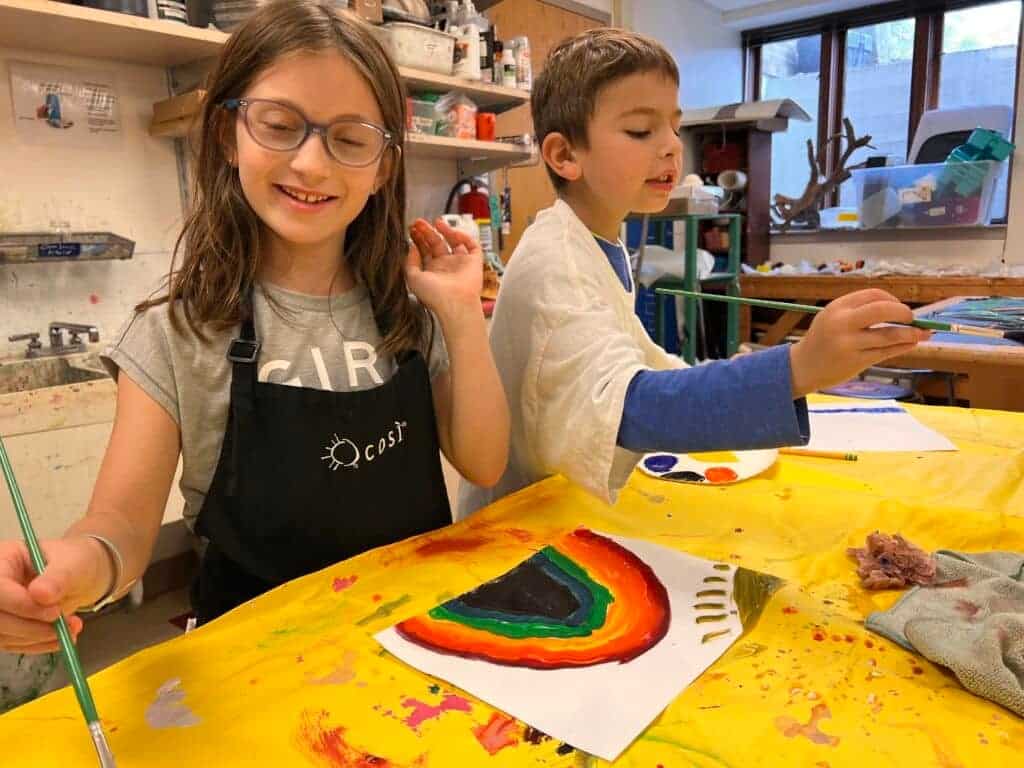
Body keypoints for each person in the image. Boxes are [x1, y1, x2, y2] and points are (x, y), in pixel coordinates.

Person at [0, 0, 508, 648]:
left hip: (415, 656)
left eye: (349, 139)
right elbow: (120, 526)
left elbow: (485, 461)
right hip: (256, 671)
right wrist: (81, 567)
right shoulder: (176, 334)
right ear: (226, 136)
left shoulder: (410, 314)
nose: (312, 165)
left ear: (383, 167)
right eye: (279, 125)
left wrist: (462, 314)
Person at [458, 28, 926, 518]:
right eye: (641, 130)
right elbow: (634, 409)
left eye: (673, 128)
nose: (670, 149)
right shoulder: (557, 263)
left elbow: (648, 361)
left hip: (562, 507)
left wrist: (766, 378)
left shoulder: (595, 238)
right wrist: (797, 367)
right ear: (565, 155)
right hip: (514, 528)